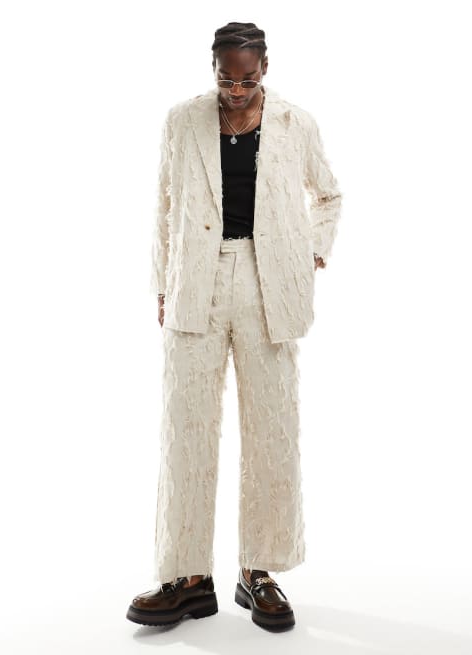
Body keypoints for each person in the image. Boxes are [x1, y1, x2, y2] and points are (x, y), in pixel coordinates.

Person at [126, 21, 342, 632]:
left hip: (269, 280)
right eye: (226, 78)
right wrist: (163, 284)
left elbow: (329, 196)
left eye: (247, 78)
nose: (236, 89)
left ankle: (259, 570)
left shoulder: (297, 124)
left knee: (272, 427)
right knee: (185, 428)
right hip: (196, 279)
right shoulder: (182, 121)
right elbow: (164, 204)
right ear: (213, 67)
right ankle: (187, 577)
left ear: (265, 68)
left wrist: (312, 251)